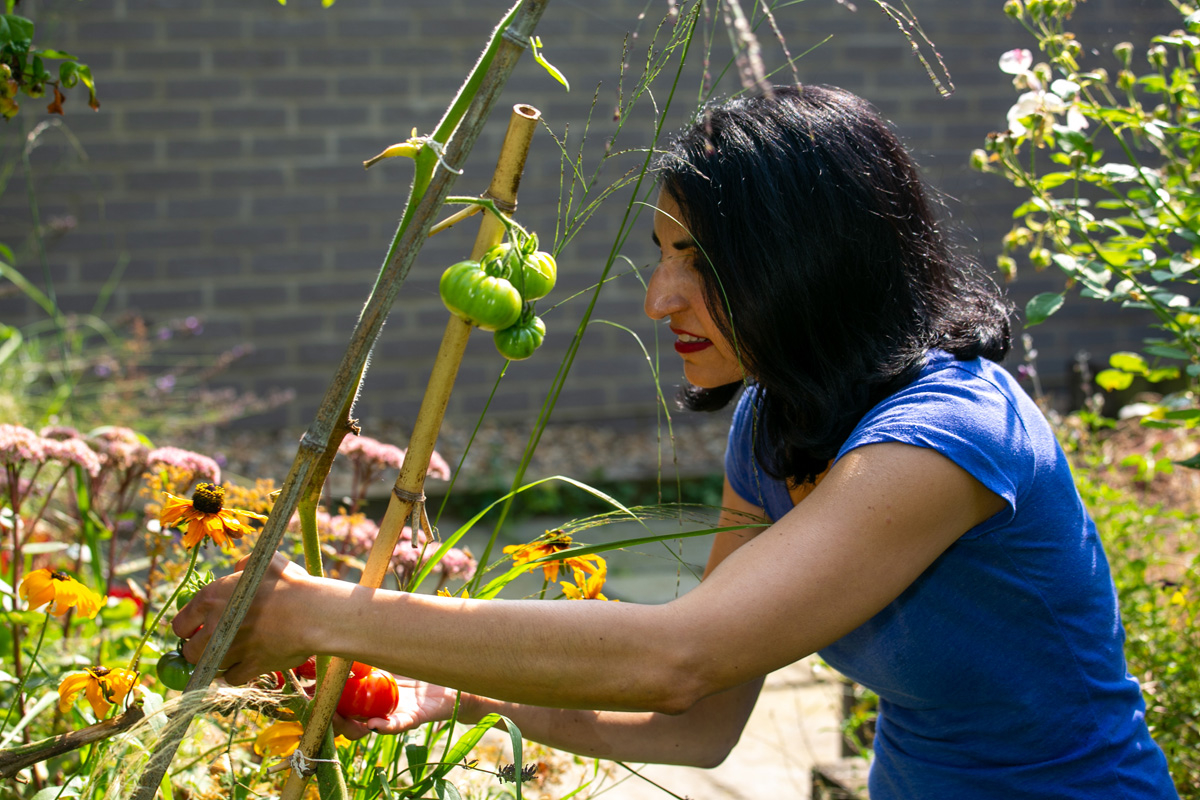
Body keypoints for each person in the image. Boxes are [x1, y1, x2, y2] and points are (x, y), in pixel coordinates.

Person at [173, 85, 1179, 799]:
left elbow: (678, 656)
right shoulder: (774, 420)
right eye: (660, 255)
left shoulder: (954, 434)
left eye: (699, 261)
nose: (659, 298)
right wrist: (461, 690)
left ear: (807, 262)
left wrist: (326, 614)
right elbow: (698, 728)